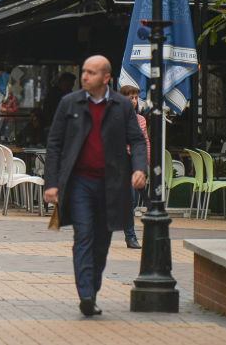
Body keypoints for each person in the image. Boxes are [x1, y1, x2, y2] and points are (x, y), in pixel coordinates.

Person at [43, 55, 147, 317]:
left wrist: (139, 168)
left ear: (106, 78)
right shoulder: (70, 103)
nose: (84, 76)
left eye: (91, 72)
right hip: (79, 183)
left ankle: (93, 288)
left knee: (102, 242)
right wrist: (52, 183)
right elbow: (54, 144)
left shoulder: (122, 106)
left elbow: (136, 140)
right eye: (84, 72)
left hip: (111, 184)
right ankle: (86, 294)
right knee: (84, 236)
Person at [118, 84, 150, 250]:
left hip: (135, 164)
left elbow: (144, 142)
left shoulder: (141, 120)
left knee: (133, 200)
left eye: (136, 98)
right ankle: (130, 236)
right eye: (130, 98)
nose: (134, 101)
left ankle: (130, 235)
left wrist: (145, 163)